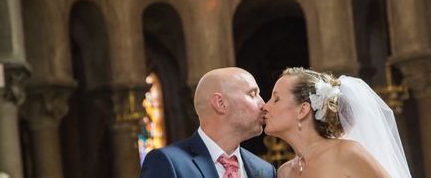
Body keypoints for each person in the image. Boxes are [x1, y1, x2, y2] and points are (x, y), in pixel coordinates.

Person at [263, 67, 411, 178]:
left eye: (276, 99)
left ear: (302, 110)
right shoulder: (284, 172)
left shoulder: (347, 153)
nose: (265, 106)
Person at [140, 67, 277, 178]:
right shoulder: (168, 163)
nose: (263, 104)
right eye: (252, 94)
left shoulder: (265, 170)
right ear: (220, 103)